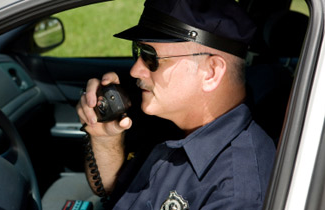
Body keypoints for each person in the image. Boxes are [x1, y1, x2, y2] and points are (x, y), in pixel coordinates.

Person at [76, 0, 276, 209]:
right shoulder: (168, 118)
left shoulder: (236, 192)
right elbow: (115, 191)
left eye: (151, 58)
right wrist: (104, 139)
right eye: (138, 52)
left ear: (211, 72)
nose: (136, 70)